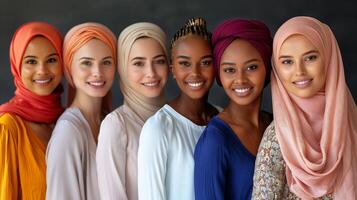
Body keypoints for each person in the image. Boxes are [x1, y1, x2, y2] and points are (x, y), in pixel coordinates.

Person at [252, 16, 357, 199]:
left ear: (328, 58)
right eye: (287, 62)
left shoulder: (352, 123)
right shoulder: (277, 138)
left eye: (310, 58)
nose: (299, 71)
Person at [138, 17, 219, 200]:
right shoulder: (159, 128)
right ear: (172, 69)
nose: (195, 73)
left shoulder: (224, 119)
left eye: (205, 62)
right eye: (185, 63)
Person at [194, 18, 273, 200]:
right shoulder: (215, 141)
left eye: (251, 67)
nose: (240, 79)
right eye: (230, 70)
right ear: (219, 75)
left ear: (267, 68)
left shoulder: (275, 125)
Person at [96, 22, 169, 200]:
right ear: (122, 68)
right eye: (138, 63)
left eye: (159, 61)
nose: (151, 73)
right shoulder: (116, 126)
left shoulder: (176, 118)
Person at [46, 22, 116, 200]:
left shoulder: (109, 120)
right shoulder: (68, 132)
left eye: (106, 62)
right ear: (69, 68)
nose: (98, 72)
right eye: (86, 63)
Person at [0, 22, 63, 200]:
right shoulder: (7, 129)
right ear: (17, 66)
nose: (42, 71)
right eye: (31, 61)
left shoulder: (65, 120)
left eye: (51, 60)